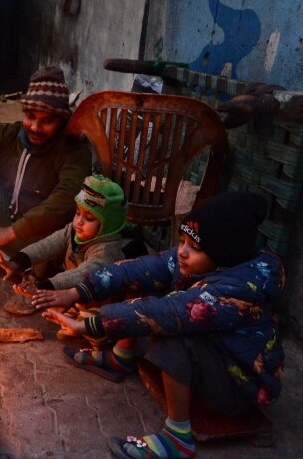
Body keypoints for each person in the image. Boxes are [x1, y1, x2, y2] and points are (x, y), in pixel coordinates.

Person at [43, 192, 284, 459]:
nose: (182, 251)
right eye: (182, 241)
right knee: (141, 284)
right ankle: (121, 359)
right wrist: (78, 291)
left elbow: (168, 312)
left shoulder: (238, 290)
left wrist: (90, 325)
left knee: (172, 334)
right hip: (217, 354)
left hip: (240, 386)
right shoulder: (200, 263)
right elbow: (139, 269)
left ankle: (178, 438)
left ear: (223, 253)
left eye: (194, 247)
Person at [0, 66, 91, 300]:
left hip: (37, 236)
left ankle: (32, 280)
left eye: (47, 121)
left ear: (61, 120)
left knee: (63, 219)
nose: (35, 127)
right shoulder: (7, 135)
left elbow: (65, 200)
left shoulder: (74, 151)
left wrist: (10, 232)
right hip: (1, 222)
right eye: (30, 116)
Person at [0, 174, 127, 315]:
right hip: (70, 284)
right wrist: (17, 262)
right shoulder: (73, 230)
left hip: (98, 294)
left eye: (89, 218)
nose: (79, 221)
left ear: (107, 226)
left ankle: (81, 318)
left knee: (96, 313)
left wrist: (45, 286)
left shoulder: (107, 250)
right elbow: (48, 245)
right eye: (78, 213)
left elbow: (82, 274)